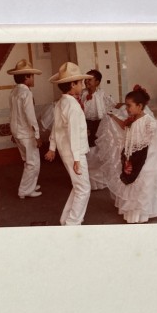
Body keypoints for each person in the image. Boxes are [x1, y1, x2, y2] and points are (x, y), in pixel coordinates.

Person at [105, 86, 157, 223]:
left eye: (129, 105)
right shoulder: (132, 118)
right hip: (132, 156)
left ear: (140, 106)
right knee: (131, 183)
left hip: (145, 159)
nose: (127, 109)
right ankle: (132, 212)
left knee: (143, 186)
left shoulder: (148, 121)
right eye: (126, 105)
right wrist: (113, 117)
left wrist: (148, 158)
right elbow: (124, 126)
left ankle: (143, 214)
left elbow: (154, 140)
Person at [44, 62, 93, 226]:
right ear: (73, 84)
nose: (82, 85)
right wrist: (77, 159)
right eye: (80, 82)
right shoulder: (71, 105)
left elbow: (56, 127)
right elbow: (72, 133)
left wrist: (52, 148)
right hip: (74, 153)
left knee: (79, 186)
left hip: (67, 151)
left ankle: (67, 219)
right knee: (84, 189)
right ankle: (72, 223)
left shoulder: (61, 102)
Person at [7, 59, 43, 199]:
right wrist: (37, 135)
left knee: (28, 161)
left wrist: (12, 132)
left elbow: (12, 114)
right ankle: (24, 190)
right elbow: (30, 116)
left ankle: (30, 186)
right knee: (33, 163)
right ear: (26, 77)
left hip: (18, 132)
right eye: (32, 76)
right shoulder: (26, 93)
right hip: (27, 134)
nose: (33, 79)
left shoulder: (14, 91)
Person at [80, 69, 118, 190]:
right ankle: (88, 180)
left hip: (99, 124)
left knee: (99, 149)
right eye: (86, 79)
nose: (87, 82)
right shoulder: (82, 94)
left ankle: (100, 180)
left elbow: (113, 105)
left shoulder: (102, 94)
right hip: (85, 124)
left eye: (90, 80)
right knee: (88, 150)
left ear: (97, 82)